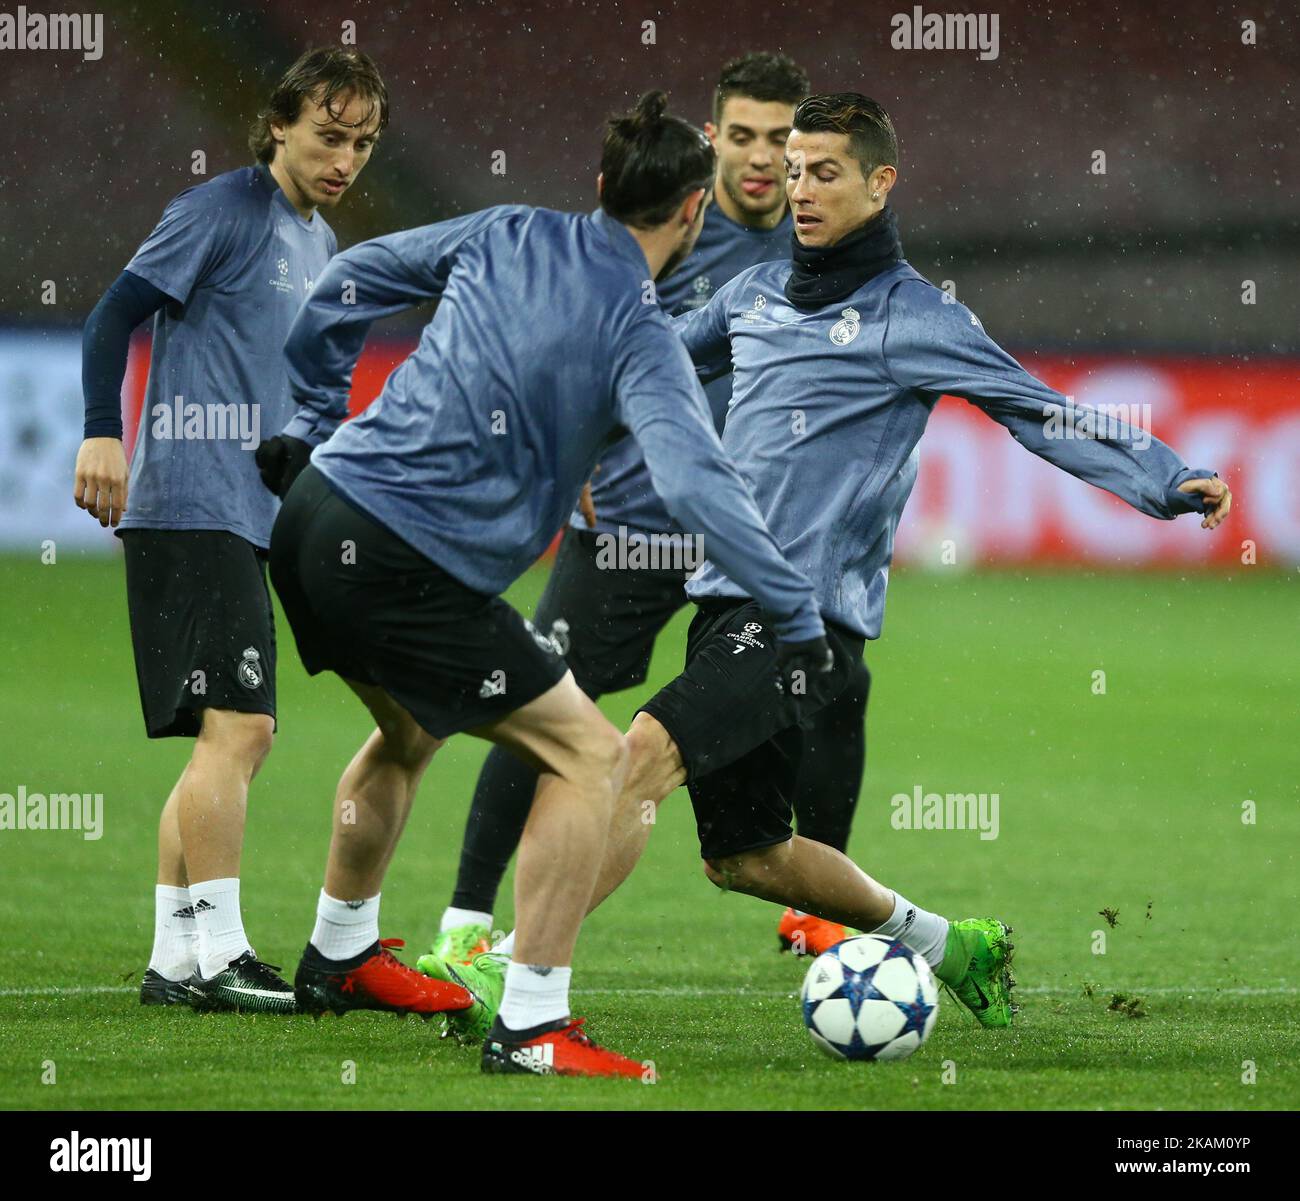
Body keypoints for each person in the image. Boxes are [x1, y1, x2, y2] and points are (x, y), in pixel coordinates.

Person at [435, 92, 1232, 1035]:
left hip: (802, 617)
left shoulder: (916, 317)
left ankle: (523, 980)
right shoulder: (753, 293)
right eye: (796, 170)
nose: (800, 188)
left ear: (879, 183)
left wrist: (1165, 475)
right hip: (725, 604)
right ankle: (951, 943)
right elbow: (641, 362)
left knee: (627, 758)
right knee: (750, 856)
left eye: (824, 172)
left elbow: (1036, 409)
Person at [262, 92, 828, 1077]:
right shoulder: (640, 331)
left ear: (603, 187)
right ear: (692, 212)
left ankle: (338, 954)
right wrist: (789, 606)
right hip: (405, 562)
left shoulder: (504, 229)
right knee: (591, 757)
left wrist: (313, 415)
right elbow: (697, 482)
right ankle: (531, 1023)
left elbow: (347, 276)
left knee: (406, 732)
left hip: (314, 515)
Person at [423, 52, 868, 976]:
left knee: (827, 692)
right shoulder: (664, 223)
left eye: (780, 142)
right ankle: (467, 921)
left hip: (748, 536)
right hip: (629, 523)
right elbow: (568, 325)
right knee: (542, 699)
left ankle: (819, 913)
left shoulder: (820, 247)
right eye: (739, 136)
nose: (757, 159)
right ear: (711, 139)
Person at [73, 47, 388, 1013]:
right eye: (329, 136)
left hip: (249, 515)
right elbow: (110, 316)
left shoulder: (319, 241)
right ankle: (222, 952)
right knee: (241, 727)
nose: (345, 159)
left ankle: (177, 957)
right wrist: (101, 433)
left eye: (364, 143)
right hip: (190, 504)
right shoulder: (222, 210)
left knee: (226, 735)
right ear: (281, 121)